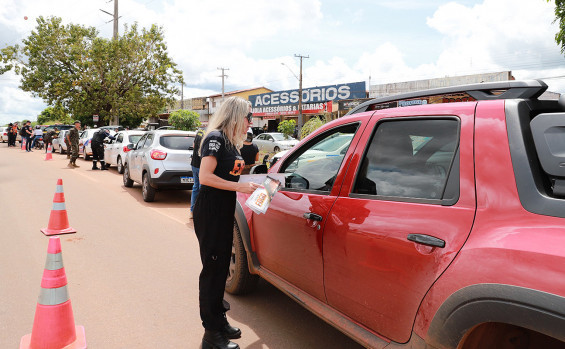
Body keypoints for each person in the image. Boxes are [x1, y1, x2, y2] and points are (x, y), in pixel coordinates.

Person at [193, 96, 260, 349]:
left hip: (224, 211)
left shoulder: (231, 143)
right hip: (210, 212)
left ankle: (220, 322)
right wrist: (239, 186)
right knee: (212, 271)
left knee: (221, 269)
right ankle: (210, 335)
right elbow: (205, 177)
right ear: (235, 115)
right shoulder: (215, 138)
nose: (250, 123)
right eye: (248, 117)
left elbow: (228, 175)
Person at [189, 127, 206, 219]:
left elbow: (194, 145)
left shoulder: (200, 132)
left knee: (196, 187)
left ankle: (192, 211)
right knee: (201, 188)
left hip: (194, 163)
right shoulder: (208, 134)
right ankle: (199, 212)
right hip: (201, 166)